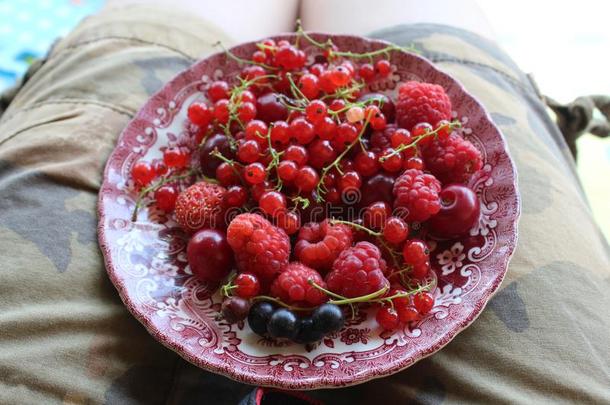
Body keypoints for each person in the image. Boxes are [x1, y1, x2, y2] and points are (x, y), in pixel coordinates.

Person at [0, 1, 608, 404]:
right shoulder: (269, 204)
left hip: (132, 59)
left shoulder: (364, 209)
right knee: (436, 25)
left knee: (138, 35)